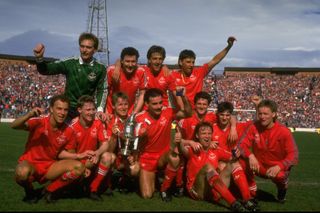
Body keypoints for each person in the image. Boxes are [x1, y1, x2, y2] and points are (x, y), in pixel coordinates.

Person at [11, 95, 91, 203]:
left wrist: (82, 165)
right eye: (59, 108)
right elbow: (14, 125)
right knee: (21, 172)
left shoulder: (69, 130)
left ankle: (49, 190)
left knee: (79, 167)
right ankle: (30, 192)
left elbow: (71, 155)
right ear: (51, 109)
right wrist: (29, 115)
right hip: (31, 164)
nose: (62, 113)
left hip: (50, 166)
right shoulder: (40, 122)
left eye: (65, 109)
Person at [33, 32, 108, 123]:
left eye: (88, 47)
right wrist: (39, 59)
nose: (84, 50)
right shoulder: (70, 63)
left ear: (95, 49)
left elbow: (102, 90)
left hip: (86, 110)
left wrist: (100, 110)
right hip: (68, 109)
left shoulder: (100, 68)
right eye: (82, 46)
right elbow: (46, 70)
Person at [134, 87, 192, 202]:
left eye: (160, 102)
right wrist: (140, 134)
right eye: (155, 104)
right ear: (146, 104)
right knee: (147, 195)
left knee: (174, 158)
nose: (159, 106)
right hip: (146, 158)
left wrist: (184, 97)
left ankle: (164, 189)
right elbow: (132, 138)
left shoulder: (168, 112)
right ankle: (153, 178)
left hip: (163, 156)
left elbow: (188, 113)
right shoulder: (139, 118)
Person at [176, 91, 237, 197]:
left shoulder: (212, 117)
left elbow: (230, 116)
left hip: (204, 149)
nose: (201, 106)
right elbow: (178, 135)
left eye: (204, 104)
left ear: (208, 106)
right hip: (190, 149)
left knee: (220, 164)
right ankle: (179, 186)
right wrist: (190, 142)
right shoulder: (188, 118)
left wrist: (233, 127)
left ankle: (220, 188)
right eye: (199, 104)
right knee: (178, 158)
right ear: (195, 105)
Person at [175, 121, 246, 212]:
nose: (207, 136)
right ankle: (233, 203)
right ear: (197, 136)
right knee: (208, 167)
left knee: (233, 163)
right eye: (203, 133)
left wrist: (237, 153)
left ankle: (247, 199)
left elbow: (232, 157)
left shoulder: (215, 149)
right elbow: (182, 149)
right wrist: (179, 141)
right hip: (197, 191)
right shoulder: (193, 149)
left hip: (212, 191)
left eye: (209, 133)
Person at [238, 99, 299, 203]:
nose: (262, 117)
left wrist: (279, 166)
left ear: (274, 114)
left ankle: (282, 188)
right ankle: (249, 192)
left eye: (266, 114)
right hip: (258, 166)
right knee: (239, 162)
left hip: (275, 169)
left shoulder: (284, 131)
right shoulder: (253, 127)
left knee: (280, 176)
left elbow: (294, 155)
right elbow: (241, 145)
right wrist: (250, 156)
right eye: (260, 113)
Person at [60, 95, 115, 201]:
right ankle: (73, 184)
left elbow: (105, 144)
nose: (91, 112)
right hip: (76, 160)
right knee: (73, 188)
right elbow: (70, 152)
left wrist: (97, 153)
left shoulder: (97, 123)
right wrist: (81, 163)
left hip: (92, 158)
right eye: (88, 110)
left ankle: (93, 189)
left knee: (109, 156)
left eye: (93, 109)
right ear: (79, 110)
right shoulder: (72, 126)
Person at [212, 101, 259, 211]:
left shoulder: (238, 127)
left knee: (242, 162)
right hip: (219, 167)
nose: (224, 118)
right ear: (217, 114)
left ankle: (248, 197)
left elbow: (256, 122)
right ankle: (245, 197)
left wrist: (257, 106)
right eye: (222, 115)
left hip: (233, 165)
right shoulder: (211, 128)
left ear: (231, 116)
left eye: (227, 115)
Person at [171, 36, 236, 109]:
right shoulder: (173, 76)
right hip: (181, 113)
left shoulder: (199, 72)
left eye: (193, 62)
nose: (191, 65)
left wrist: (229, 46)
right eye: (188, 62)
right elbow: (178, 99)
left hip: (196, 112)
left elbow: (215, 60)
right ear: (180, 62)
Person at [105, 47, 146, 116]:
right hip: (111, 112)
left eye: (133, 61)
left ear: (137, 61)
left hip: (129, 113)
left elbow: (142, 94)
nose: (130, 65)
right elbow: (105, 92)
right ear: (122, 61)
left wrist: (134, 114)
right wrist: (106, 112)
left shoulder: (141, 71)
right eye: (127, 61)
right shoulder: (111, 71)